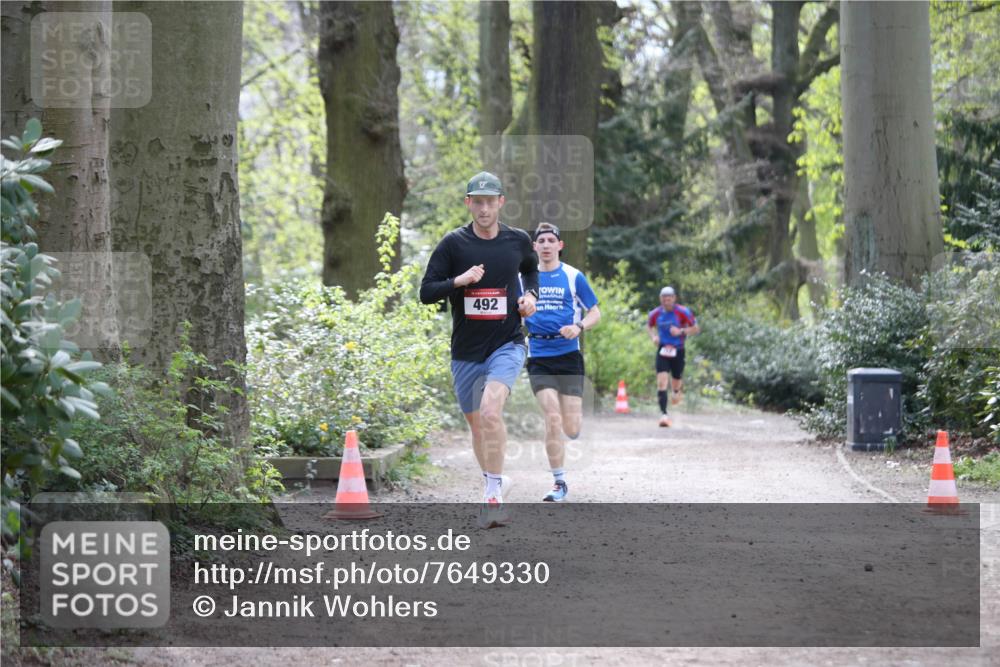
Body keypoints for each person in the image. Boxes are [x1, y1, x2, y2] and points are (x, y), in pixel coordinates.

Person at [419, 171, 538, 527]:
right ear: (468, 203)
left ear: (501, 203)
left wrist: (530, 296)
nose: (484, 209)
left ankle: (493, 496)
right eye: (478, 202)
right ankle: (493, 479)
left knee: (490, 413)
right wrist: (460, 280)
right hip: (466, 350)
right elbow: (426, 292)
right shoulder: (453, 244)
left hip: (507, 343)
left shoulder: (518, 240)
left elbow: (531, 271)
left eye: (491, 201)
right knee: (476, 426)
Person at [523, 223, 601, 502]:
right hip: (539, 356)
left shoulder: (572, 275)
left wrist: (579, 326)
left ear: (559, 245)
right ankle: (559, 482)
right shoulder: (525, 279)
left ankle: (574, 429)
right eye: (540, 241)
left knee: (571, 427)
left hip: (568, 356)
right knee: (552, 418)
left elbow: (595, 312)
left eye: (550, 240)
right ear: (534, 247)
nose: (545, 245)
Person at [647, 286, 699, 427]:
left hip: (678, 350)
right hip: (662, 350)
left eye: (669, 298)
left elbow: (695, 328)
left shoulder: (683, 312)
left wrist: (681, 331)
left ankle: (676, 391)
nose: (666, 301)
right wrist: (654, 337)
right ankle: (664, 415)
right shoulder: (655, 313)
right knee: (662, 382)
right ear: (661, 299)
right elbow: (649, 326)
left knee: (676, 380)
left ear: (674, 298)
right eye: (664, 299)